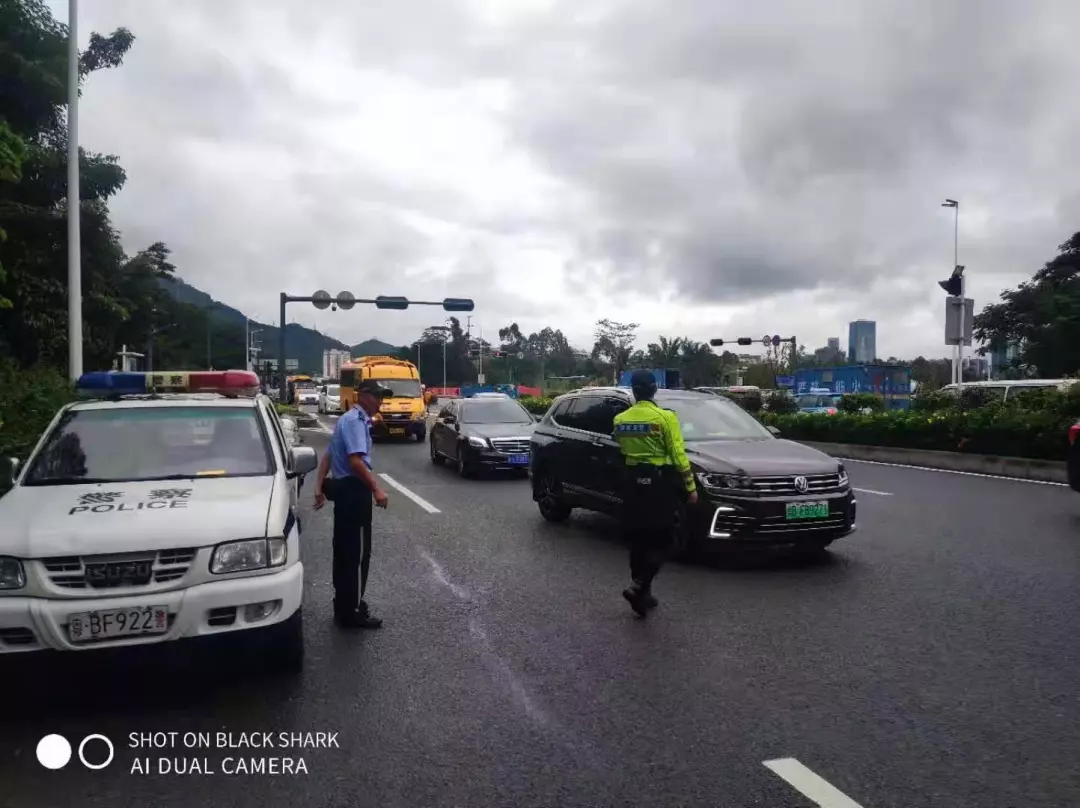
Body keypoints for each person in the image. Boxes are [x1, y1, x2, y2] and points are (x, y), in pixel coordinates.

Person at [612, 370, 698, 617]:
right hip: (657, 483)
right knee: (668, 539)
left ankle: (642, 595)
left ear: (634, 391)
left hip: (632, 482)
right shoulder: (665, 418)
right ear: (654, 389)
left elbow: (621, 448)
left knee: (638, 539)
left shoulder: (620, 420)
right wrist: (690, 488)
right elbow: (678, 456)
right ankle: (640, 585)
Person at [313, 380, 392, 629]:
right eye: (377, 396)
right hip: (354, 492)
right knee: (356, 554)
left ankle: (344, 604)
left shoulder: (346, 419)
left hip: (344, 492)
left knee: (344, 551)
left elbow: (328, 454)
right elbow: (356, 461)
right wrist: (376, 489)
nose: (380, 401)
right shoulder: (355, 421)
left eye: (382, 397)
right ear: (362, 396)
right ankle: (352, 611)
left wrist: (318, 487)